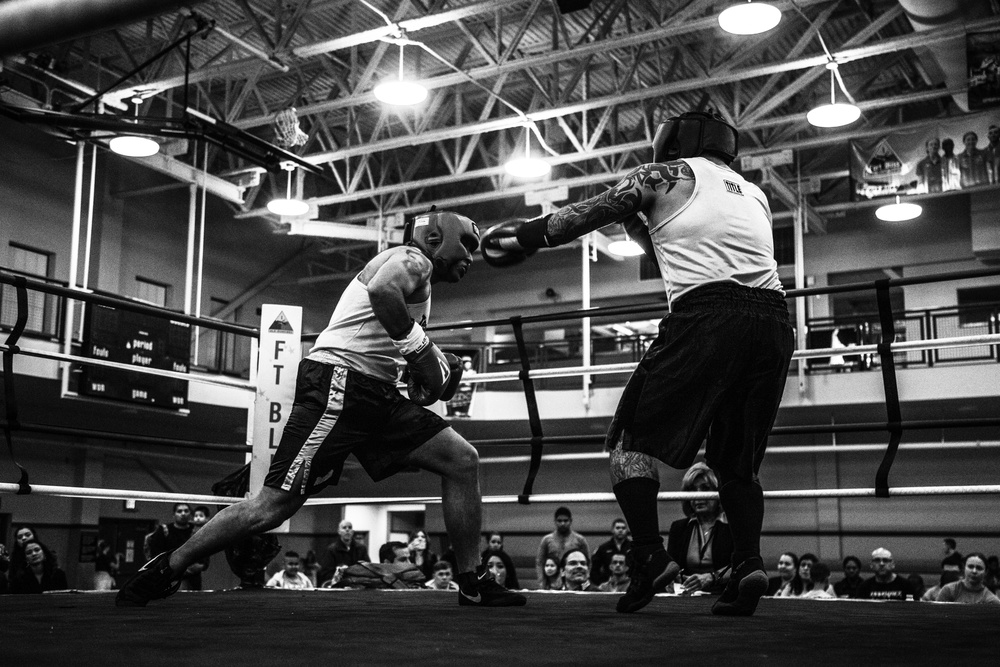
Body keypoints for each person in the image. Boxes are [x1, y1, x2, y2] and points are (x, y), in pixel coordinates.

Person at [116, 210, 525, 609]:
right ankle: (168, 566)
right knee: (273, 506)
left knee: (461, 460)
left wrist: (418, 366)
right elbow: (383, 292)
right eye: (467, 244)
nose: (471, 257)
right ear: (439, 238)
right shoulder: (411, 258)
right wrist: (419, 350)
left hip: (375, 394)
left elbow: (387, 339)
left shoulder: (420, 282)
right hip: (340, 385)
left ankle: (472, 582)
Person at [482, 110, 794, 617]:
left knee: (628, 442)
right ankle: (748, 564)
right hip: (775, 324)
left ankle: (650, 554)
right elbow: (673, 245)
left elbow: (581, 215)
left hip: (707, 316)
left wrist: (525, 236)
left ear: (669, 143)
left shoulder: (664, 175)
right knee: (736, 462)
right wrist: (639, 225)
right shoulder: (752, 191)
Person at [667, 462, 733, 595]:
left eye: (705, 488)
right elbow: (671, 566)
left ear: (718, 492)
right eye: (692, 490)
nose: (698, 495)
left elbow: (742, 566)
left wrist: (711, 578)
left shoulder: (732, 527)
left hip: (723, 595)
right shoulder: (679, 528)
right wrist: (676, 578)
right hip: (687, 596)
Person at [144, 503, 209, 591]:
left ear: (190, 514)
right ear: (174, 515)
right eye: (179, 511)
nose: (183, 513)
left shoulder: (197, 530)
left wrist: (202, 565)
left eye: (186, 511)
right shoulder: (164, 530)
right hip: (170, 576)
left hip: (193, 577)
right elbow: (156, 555)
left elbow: (205, 551)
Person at [535, 507, 589, 588]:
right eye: (559, 521)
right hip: (552, 582)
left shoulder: (580, 540)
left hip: (573, 581)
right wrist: (542, 582)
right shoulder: (547, 540)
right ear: (555, 521)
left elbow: (588, 562)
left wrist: (585, 582)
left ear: (570, 521)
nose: (562, 523)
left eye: (565, 521)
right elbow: (540, 562)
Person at [320, 519, 371, 586]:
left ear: (352, 532)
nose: (347, 530)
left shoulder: (361, 549)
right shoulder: (332, 550)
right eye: (344, 528)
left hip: (358, 584)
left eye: (350, 527)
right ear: (339, 531)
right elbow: (326, 572)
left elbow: (368, 568)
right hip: (339, 585)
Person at [935, 553, 1000, 605]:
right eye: (970, 567)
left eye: (979, 568)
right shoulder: (949, 590)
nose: (974, 571)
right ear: (964, 568)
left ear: (986, 572)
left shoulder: (992, 601)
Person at [590, 518, 632, 587]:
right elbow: (594, 569)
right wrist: (600, 583)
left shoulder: (633, 548)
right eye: (618, 528)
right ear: (612, 530)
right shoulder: (603, 548)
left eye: (623, 528)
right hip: (608, 585)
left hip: (629, 585)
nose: (620, 530)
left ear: (627, 530)